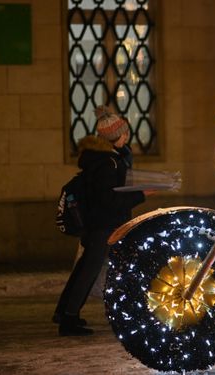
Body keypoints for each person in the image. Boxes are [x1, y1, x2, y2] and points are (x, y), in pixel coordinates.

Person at [53, 106, 147, 336]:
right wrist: (142, 194)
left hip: (99, 224)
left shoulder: (103, 159)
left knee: (86, 268)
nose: (127, 137)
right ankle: (68, 319)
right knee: (89, 270)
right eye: (125, 134)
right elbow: (110, 201)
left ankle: (65, 313)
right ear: (116, 136)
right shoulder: (107, 163)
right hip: (104, 225)